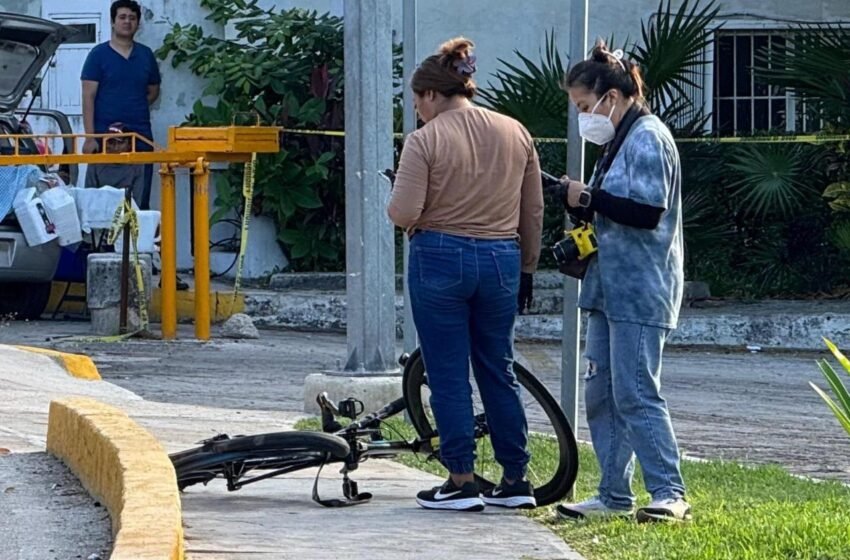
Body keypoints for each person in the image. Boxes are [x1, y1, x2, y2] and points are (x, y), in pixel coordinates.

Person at [388, 38, 544, 512]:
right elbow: (532, 210)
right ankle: (515, 478)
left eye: (417, 101)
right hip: (502, 259)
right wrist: (528, 267)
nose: (417, 111)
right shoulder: (515, 132)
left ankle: (460, 479)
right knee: (498, 367)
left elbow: (403, 211)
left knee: (448, 371)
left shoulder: (424, 140)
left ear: (432, 94)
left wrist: (402, 199)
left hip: (439, 256)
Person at [553, 41, 690, 523]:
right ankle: (613, 494)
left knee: (635, 391)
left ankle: (670, 492)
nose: (583, 116)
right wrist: (578, 199)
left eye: (584, 106)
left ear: (611, 97)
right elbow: (609, 207)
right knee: (602, 393)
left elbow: (647, 211)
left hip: (641, 289)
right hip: (608, 288)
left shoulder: (648, 137)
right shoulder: (618, 140)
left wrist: (586, 196)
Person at [81, 0, 160, 210]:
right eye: (122, 17)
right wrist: (90, 137)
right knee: (102, 204)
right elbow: (88, 97)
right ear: (113, 21)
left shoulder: (145, 55)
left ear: (138, 24)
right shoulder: (98, 55)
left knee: (139, 205)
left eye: (132, 18)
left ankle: (137, 234)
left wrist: (133, 105)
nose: (127, 22)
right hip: (105, 139)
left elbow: (153, 91)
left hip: (140, 137)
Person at [84, 122, 144, 207]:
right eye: (111, 142)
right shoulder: (95, 162)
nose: (115, 147)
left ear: (129, 144)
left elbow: (136, 200)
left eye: (120, 143)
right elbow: (89, 196)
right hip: (99, 208)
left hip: (126, 209)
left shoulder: (137, 164)